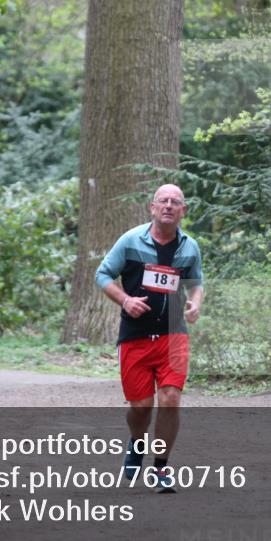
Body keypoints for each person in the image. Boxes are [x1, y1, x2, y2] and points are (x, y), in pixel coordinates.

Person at [95, 184, 203, 493]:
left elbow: (196, 282)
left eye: (175, 202)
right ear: (152, 208)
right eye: (163, 201)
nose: (168, 206)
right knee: (140, 408)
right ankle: (137, 442)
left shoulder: (189, 247)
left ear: (183, 210)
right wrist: (125, 300)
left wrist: (196, 303)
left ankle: (160, 468)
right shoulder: (130, 241)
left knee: (170, 399)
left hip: (173, 334)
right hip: (136, 336)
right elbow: (102, 275)